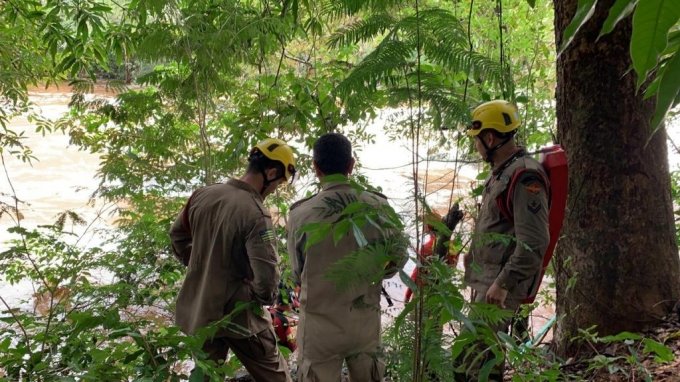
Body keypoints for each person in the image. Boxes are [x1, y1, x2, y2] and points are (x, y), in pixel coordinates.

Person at [169, 138, 295, 382]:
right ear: (270, 173)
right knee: (276, 377)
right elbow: (267, 279)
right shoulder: (256, 213)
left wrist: (201, 264)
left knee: (206, 375)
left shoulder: (203, 195)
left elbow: (177, 236)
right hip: (241, 318)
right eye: (278, 184)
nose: (274, 190)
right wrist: (259, 296)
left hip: (201, 310)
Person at [286, 133, 408, 382]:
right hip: (363, 323)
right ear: (351, 165)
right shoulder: (378, 206)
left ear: (316, 168)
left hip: (319, 329)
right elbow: (399, 258)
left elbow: (298, 273)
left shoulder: (301, 214)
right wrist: (375, 272)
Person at [459, 100, 550, 380]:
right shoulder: (503, 171)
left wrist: (503, 283)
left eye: (477, 140)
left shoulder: (524, 176)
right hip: (486, 283)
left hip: (497, 290)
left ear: (489, 138)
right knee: (471, 361)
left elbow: (534, 241)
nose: (476, 147)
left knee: (479, 366)